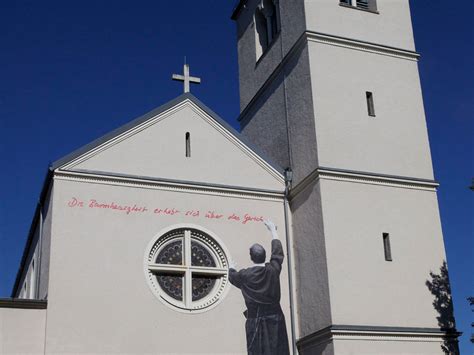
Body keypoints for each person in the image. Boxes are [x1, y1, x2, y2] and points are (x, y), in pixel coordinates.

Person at [229, 220, 290, 355]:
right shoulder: (272, 270)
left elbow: (232, 277)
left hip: (255, 321)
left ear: (251, 257)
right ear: (264, 255)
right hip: (275, 319)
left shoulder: (245, 275)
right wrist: (273, 230)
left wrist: (231, 268)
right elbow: (278, 253)